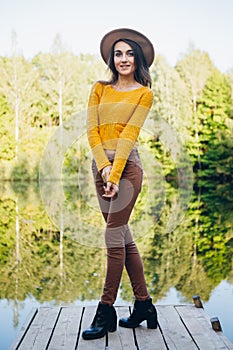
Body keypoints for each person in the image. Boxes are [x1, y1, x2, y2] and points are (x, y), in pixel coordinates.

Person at [82, 28, 157, 341]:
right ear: (111, 59)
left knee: (113, 237)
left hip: (127, 171)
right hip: (101, 168)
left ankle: (105, 309)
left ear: (137, 58)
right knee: (123, 238)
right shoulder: (99, 88)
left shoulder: (144, 93)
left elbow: (128, 135)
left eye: (129, 53)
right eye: (118, 53)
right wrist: (103, 168)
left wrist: (114, 175)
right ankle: (144, 306)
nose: (123, 58)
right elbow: (92, 130)